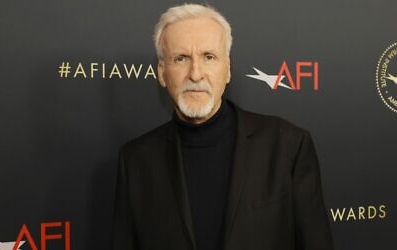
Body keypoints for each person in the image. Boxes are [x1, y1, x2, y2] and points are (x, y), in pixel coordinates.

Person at [112, 3, 333, 250]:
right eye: (181, 58)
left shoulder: (288, 146)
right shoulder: (135, 161)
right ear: (162, 73)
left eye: (209, 57)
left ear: (227, 69)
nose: (195, 74)